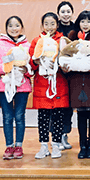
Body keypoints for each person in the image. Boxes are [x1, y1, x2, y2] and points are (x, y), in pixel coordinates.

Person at [0, 16, 32, 160]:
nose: (14, 28)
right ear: (6, 28)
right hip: (3, 86)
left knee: (19, 116)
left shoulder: (28, 45)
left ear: (22, 28)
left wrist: (26, 70)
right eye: (10, 26)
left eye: (17, 25)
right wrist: (4, 68)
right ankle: (9, 145)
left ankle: (19, 146)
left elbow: (33, 67)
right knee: (7, 117)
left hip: (22, 86)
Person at [64, 11, 90, 159]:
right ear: (78, 23)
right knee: (81, 115)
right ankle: (83, 146)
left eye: (88, 21)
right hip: (76, 81)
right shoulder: (72, 38)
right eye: (82, 21)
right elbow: (66, 56)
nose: (85, 24)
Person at [30, 12, 70, 159]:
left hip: (59, 84)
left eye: (52, 24)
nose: (49, 27)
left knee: (59, 117)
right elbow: (31, 62)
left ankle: (56, 145)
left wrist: (60, 64)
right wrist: (36, 61)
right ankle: (43, 146)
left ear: (57, 25)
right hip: (42, 84)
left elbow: (67, 59)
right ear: (42, 26)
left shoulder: (62, 40)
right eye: (46, 24)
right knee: (43, 118)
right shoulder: (37, 41)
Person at [56, 0, 76, 150]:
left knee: (68, 105)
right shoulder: (54, 29)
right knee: (57, 105)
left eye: (68, 11)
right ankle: (55, 136)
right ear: (58, 14)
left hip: (72, 72)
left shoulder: (76, 29)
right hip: (56, 73)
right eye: (63, 12)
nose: (65, 14)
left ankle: (64, 134)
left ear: (72, 13)